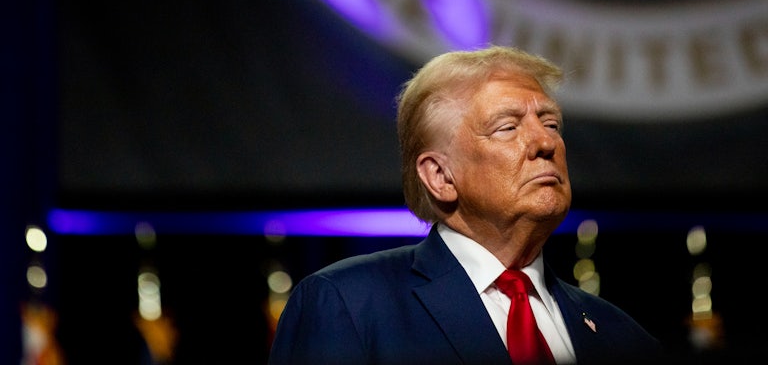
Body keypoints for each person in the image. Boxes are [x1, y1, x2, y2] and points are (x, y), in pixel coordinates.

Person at [267, 45, 666, 365]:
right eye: (507, 127)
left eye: (551, 123)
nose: (546, 143)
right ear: (440, 176)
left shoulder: (622, 336)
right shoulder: (347, 306)